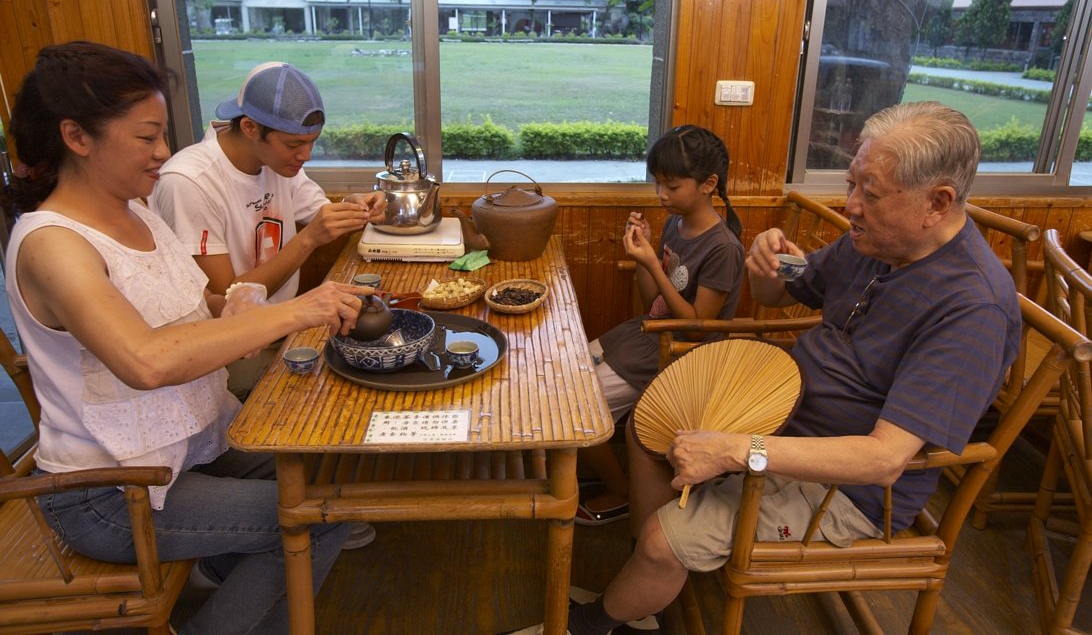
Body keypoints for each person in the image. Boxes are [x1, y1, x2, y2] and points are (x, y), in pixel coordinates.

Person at [507, 101, 1022, 635]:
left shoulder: (972, 308)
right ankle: (651, 584)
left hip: (842, 485)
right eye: (851, 185)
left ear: (937, 202)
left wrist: (734, 449)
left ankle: (604, 610)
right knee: (647, 428)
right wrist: (766, 261)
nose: (851, 207)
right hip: (776, 411)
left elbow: (884, 459)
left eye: (869, 193)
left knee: (664, 536)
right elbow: (776, 295)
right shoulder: (878, 242)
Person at [4, 40, 372, 635]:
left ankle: (224, 578)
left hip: (193, 441)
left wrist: (239, 308)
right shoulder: (54, 243)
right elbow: (145, 361)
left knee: (322, 473)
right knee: (319, 515)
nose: (164, 152)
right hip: (113, 488)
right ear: (77, 137)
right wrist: (294, 311)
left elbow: (200, 303)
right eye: (146, 137)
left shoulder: (138, 212)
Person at [148, 61, 386, 399]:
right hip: (231, 354)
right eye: (293, 145)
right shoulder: (188, 182)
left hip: (282, 328)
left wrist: (354, 205)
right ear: (249, 127)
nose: (305, 155)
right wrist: (309, 239)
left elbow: (319, 212)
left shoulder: (275, 160)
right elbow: (227, 301)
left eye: (312, 142)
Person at [577, 125, 745, 526]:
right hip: (647, 333)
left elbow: (697, 328)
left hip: (679, 352)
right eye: (658, 184)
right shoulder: (676, 222)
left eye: (671, 185)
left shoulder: (722, 248)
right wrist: (645, 255)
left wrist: (654, 262)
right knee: (569, 380)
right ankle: (598, 472)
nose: (661, 195)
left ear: (708, 184)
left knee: (578, 409)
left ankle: (620, 490)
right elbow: (649, 298)